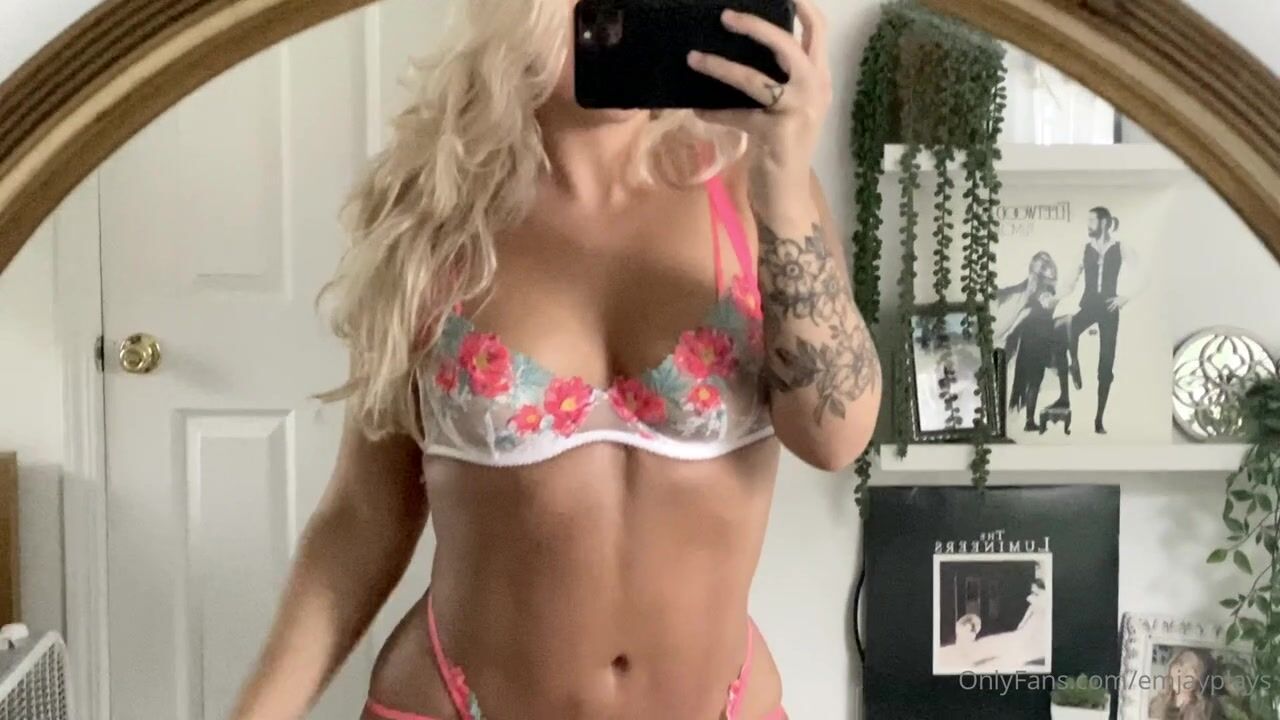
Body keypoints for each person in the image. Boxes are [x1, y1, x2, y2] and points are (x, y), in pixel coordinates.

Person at [229, 2, 881, 719]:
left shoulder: (755, 188)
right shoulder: (433, 215)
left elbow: (835, 436)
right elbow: (366, 513)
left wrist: (784, 188)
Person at [1057, 206, 1144, 434]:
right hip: (1089, 305)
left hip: (1108, 309)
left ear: (1104, 223)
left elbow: (1144, 273)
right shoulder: (1084, 249)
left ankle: (1098, 419)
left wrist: (1125, 297)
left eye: (1092, 221)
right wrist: (1054, 297)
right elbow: (1069, 282)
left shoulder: (1121, 247)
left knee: (1106, 365)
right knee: (1068, 326)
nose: (1088, 225)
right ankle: (1074, 363)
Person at [994, 252, 1072, 432]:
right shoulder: (1036, 299)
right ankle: (1026, 420)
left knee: (1033, 382)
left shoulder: (1043, 296)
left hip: (1038, 342)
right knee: (1032, 382)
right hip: (1034, 342)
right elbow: (1024, 315)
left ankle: (1028, 421)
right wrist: (1010, 333)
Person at [1148, 648, 1221, 720]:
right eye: (1180, 664)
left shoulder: (1207, 709)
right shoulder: (1157, 704)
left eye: (1191, 669)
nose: (1181, 673)